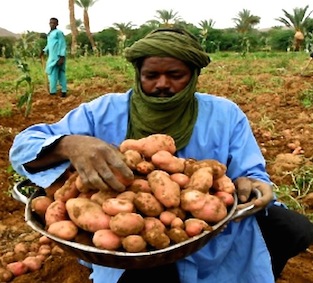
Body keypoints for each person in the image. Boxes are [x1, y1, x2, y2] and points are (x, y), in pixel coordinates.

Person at [10, 27, 313, 283]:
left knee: (294, 230)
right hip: (129, 240)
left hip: (213, 230)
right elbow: (24, 147)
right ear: (138, 74)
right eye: (151, 75)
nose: (163, 84)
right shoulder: (103, 111)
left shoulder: (225, 114)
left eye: (175, 75)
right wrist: (71, 145)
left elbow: (253, 174)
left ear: (194, 75)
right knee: (149, 268)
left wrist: (252, 182)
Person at [40, 17, 67, 97]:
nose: (52, 24)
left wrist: (61, 57)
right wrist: (43, 50)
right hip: (52, 57)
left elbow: (62, 44)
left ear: (57, 24)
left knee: (55, 74)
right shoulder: (50, 34)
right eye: (51, 23)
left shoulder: (58, 32)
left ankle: (57, 92)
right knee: (55, 74)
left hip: (58, 57)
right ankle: (57, 91)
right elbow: (49, 45)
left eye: (54, 23)